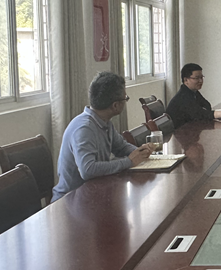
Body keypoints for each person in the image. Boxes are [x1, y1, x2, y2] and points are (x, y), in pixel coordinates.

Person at [52, 72, 152, 202]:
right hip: (70, 201)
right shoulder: (84, 128)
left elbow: (121, 147)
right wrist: (129, 162)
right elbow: (88, 170)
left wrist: (141, 152)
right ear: (115, 105)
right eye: (125, 98)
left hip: (93, 194)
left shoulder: (104, 121)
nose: (126, 101)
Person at [167, 63, 221, 128]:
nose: (200, 81)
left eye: (201, 77)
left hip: (190, 129)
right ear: (186, 80)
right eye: (197, 78)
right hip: (180, 134)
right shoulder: (183, 97)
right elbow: (200, 114)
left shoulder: (193, 92)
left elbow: (207, 106)